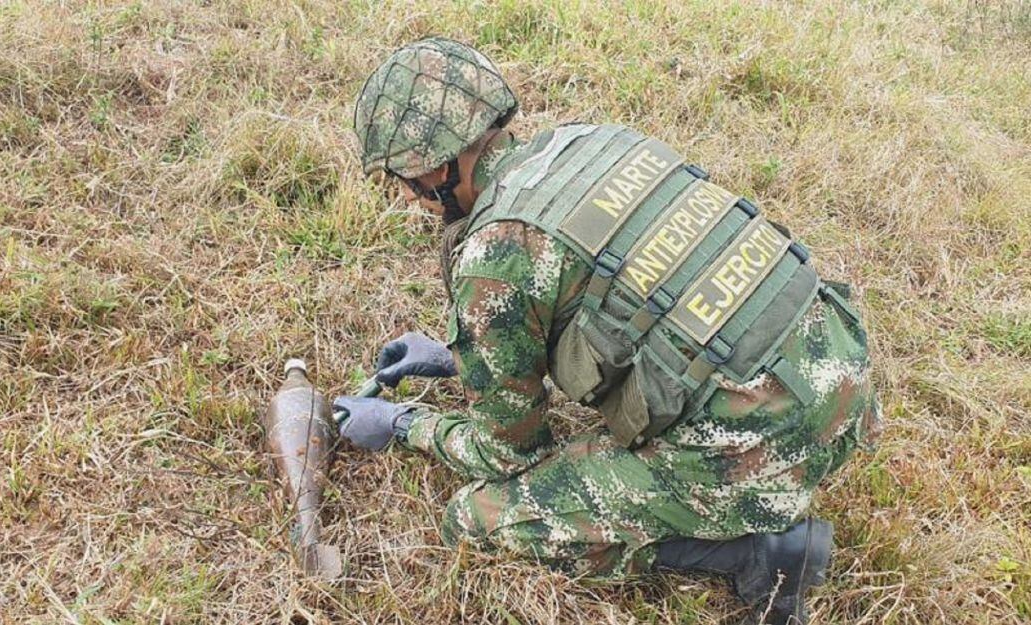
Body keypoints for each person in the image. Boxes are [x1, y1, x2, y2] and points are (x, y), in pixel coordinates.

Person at [334, 37, 881, 625]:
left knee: (479, 519)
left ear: (439, 170)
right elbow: (636, 300)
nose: (406, 195)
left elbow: (506, 451)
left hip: (758, 443)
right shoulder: (595, 142)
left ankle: (758, 552)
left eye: (404, 178)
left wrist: (404, 424)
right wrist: (460, 356)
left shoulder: (496, 252)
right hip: (840, 375)